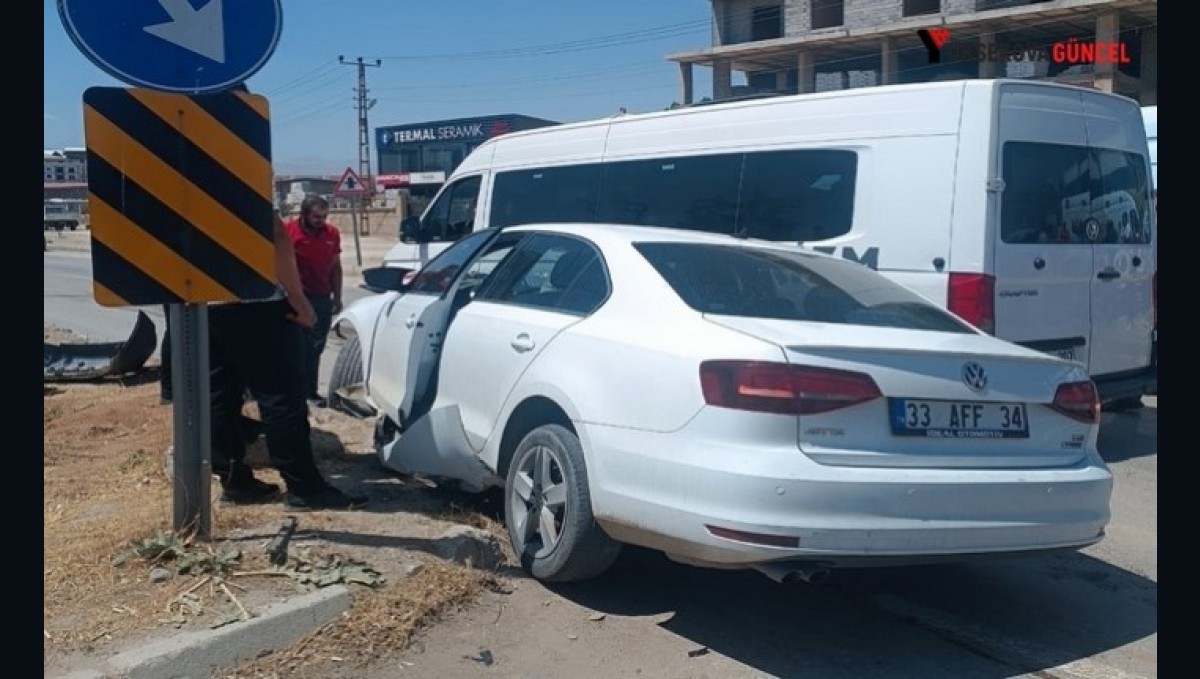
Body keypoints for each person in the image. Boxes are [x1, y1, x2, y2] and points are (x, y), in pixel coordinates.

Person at [206, 208, 366, 510]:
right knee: (281, 397)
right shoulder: (242, 176)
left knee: (220, 396)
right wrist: (297, 297)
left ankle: (234, 481)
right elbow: (275, 232)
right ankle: (304, 488)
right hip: (257, 301)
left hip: (204, 303)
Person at [282, 195, 343, 407]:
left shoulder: (332, 233)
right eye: (316, 217)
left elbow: (335, 266)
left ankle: (310, 392)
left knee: (315, 347)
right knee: (293, 346)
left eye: (324, 216)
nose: (321, 221)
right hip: (293, 297)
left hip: (321, 297)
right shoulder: (288, 231)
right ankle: (291, 391)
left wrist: (337, 296)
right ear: (304, 214)